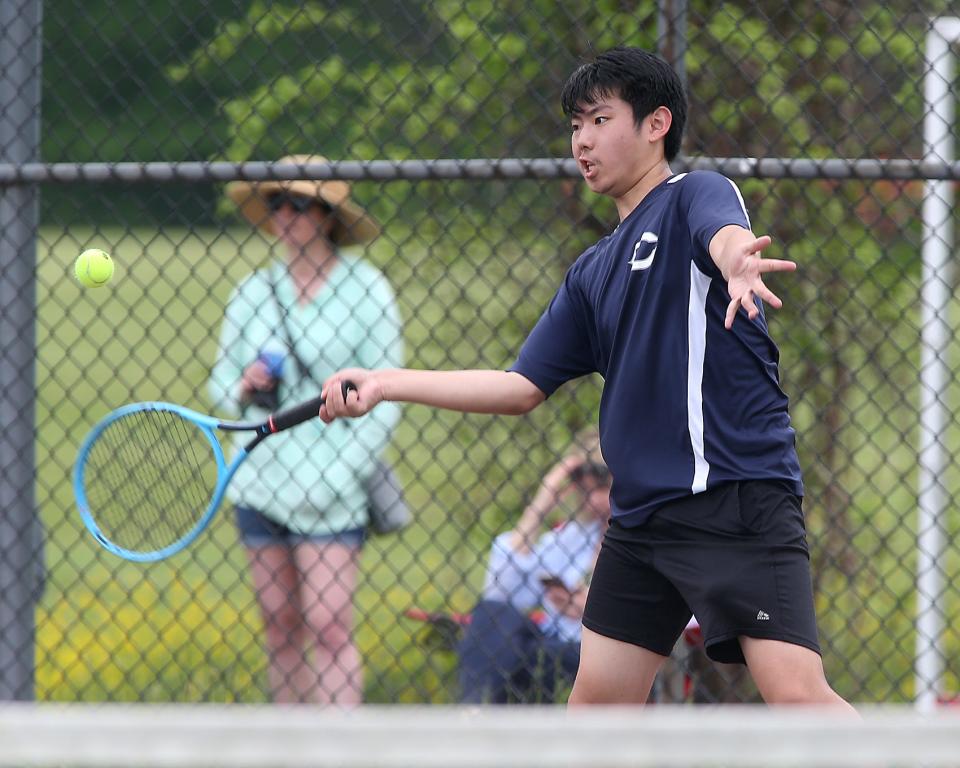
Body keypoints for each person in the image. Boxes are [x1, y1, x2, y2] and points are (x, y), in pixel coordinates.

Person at [318, 48, 855, 711]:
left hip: (733, 499)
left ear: (657, 124)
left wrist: (736, 261)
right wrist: (387, 382)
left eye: (600, 119)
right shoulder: (591, 272)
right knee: (594, 716)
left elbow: (723, 235)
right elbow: (519, 387)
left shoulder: (694, 194)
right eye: (576, 125)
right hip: (641, 523)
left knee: (799, 698)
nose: (583, 141)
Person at [208, 155, 404, 705]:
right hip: (261, 476)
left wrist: (342, 474)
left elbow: (385, 395)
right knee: (278, 624)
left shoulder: (367, 290)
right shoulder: (253, 290)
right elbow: (220, 383)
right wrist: (242, 387)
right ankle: (289, 748)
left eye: (298, 204)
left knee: (330, 624)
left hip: (332, 485)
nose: (286, 215)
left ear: (326, 215)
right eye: (276, 204)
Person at [458, 433, 611, 703]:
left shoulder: (650, 536)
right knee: (492, 615)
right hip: (550, 647)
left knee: (546, 655)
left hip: (600, 653)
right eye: (585, 491)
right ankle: (473, 711)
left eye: (602, 489)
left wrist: (596, 609)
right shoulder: (573, 536)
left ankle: (478, 714)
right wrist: (540, 505)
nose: (593, 502)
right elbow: (501, 592)